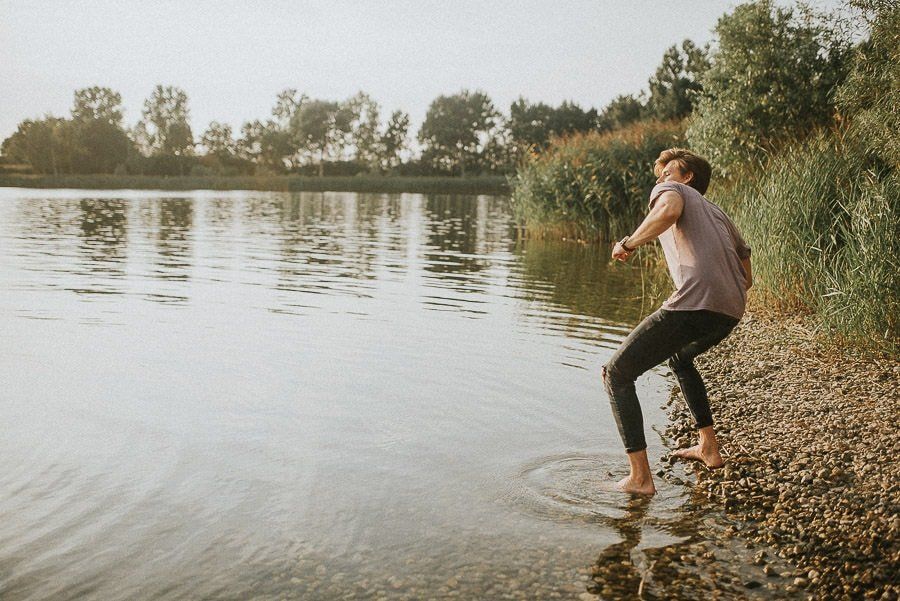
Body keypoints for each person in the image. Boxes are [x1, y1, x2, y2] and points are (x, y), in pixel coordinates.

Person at [602, 148, 752, 495]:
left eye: (667, 172)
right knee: (680, 358)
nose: (660, 179)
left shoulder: (674, 192)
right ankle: (709, 449)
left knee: (617, 374)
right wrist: (730, 289)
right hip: (730, 309)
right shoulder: (718, 212)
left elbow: (667, 211)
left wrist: (628, 243)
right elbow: (745, 263)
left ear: (687, 177)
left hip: (696, 303)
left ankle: (640, 480)